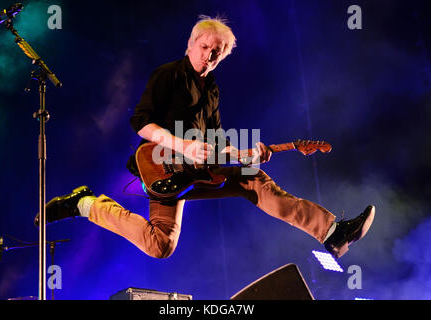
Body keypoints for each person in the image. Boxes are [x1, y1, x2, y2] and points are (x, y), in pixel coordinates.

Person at [35, 16, 374, 260]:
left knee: (245, 184)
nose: (209, 55)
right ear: (191, 44)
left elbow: (216, 143)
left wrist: (243, 152)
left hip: (195, 171)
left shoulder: (212, 91)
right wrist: (181, 144)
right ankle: (85, 204)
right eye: (205, 46)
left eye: (218, 52)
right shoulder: (168, 74)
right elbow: (141, 123)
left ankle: (333, 233)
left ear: (224, 57)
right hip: (160, 167)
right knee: (172, 238)